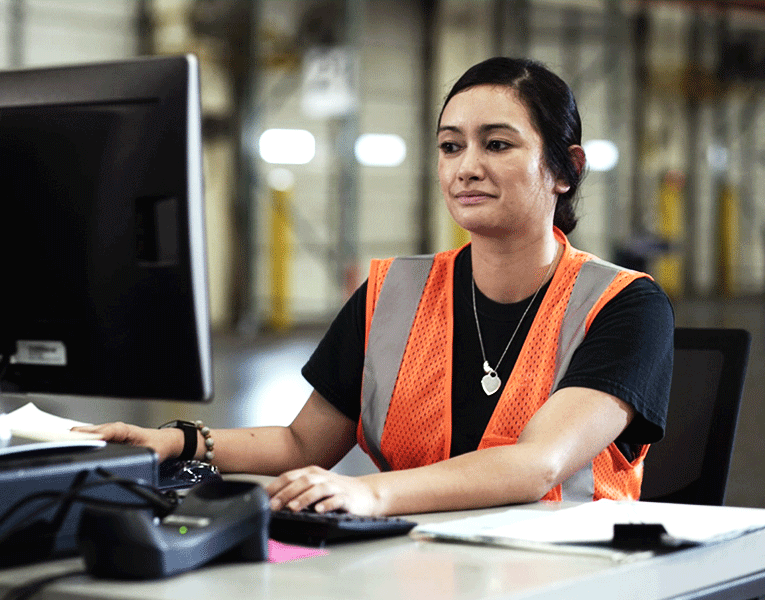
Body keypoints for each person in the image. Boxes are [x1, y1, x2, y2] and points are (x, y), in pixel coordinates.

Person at [75, 56, 674, 517]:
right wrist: (177, 443)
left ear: (566, 170)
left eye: (498, 143)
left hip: (571, 576)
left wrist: (369, 496)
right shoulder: (393, 292)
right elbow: (300, 442)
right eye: (450, 146)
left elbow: (537, 464)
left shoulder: (623, 304)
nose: (466, 166)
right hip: (416, 560)